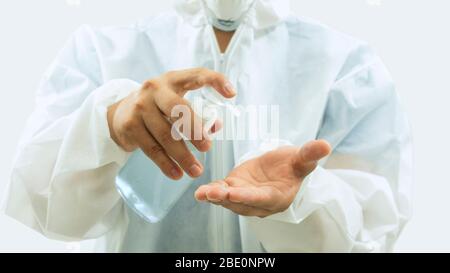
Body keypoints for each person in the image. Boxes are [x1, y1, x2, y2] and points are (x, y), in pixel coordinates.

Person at [3, 0, 412, 252]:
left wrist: (303, 201)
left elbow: (375, 231)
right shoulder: (99, 51)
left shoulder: (346, 68)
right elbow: (43, 205)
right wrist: (109, 126)